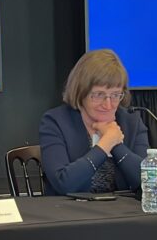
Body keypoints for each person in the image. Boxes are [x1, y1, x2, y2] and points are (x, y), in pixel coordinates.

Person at [39, 49, 149, 196]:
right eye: (98, 95)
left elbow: (149, 182)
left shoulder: (132, 122)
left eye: (115, 95)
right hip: (71, 214)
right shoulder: (55, 122)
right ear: (81, 91)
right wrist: (105, 144)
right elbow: (63, 183)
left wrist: (116, 145)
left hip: (122, 214)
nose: (108, 105)